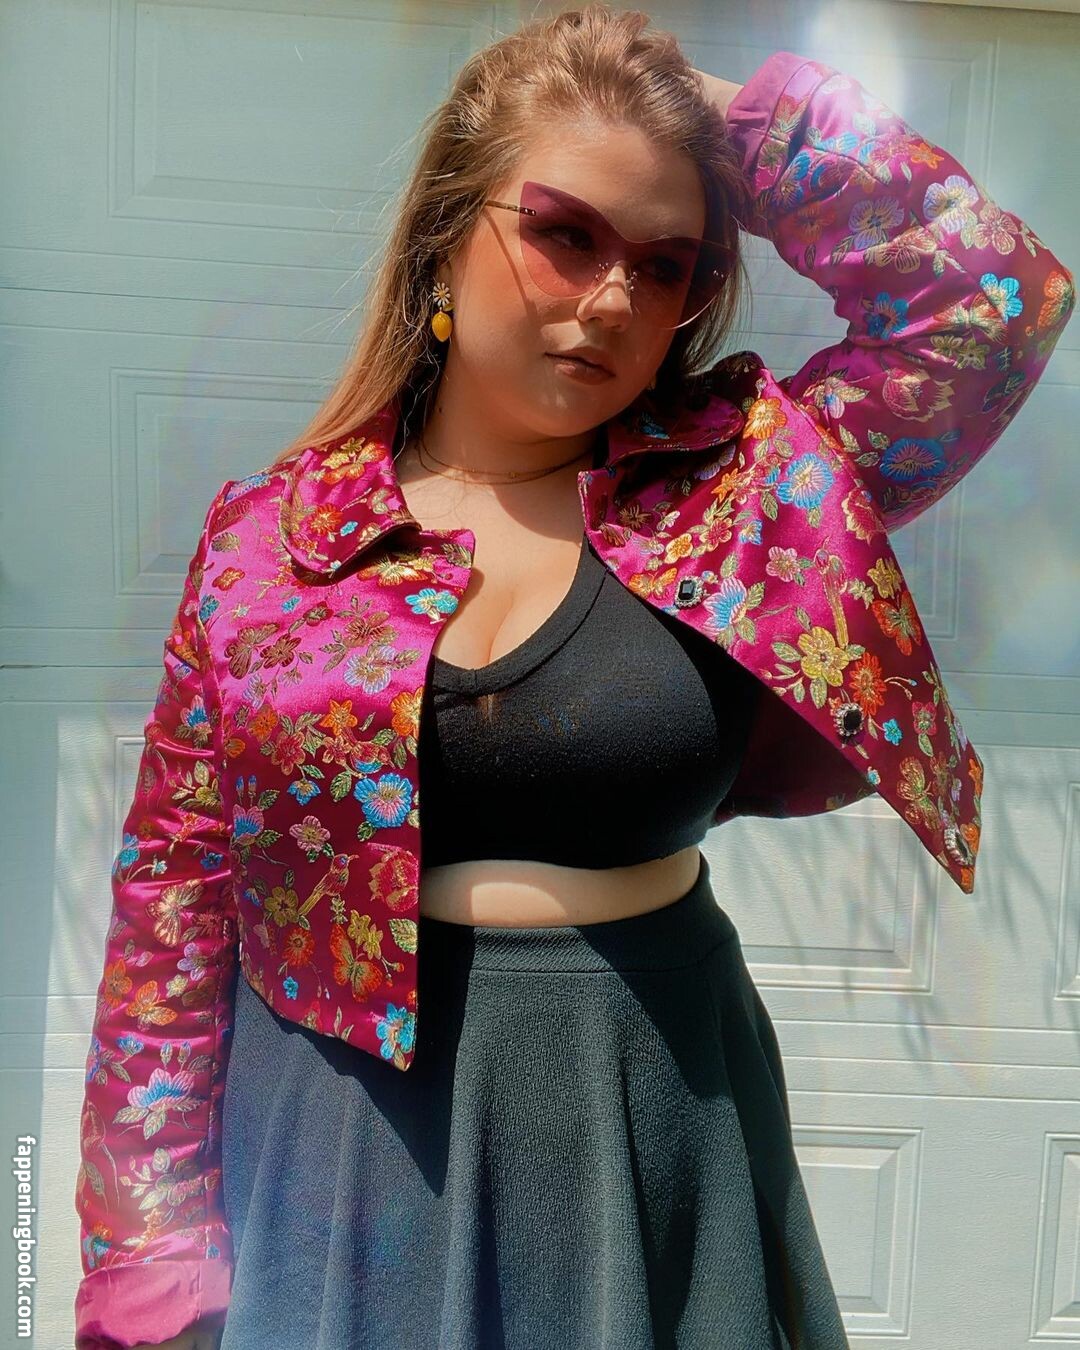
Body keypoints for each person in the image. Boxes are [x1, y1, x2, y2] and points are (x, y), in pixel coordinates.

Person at [72, 6, 1075, 1350]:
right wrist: (148, 1264)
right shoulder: (270, 538)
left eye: (664, 267)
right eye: (566, 234)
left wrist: (720, 118)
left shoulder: (750, 488)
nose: (612, 300)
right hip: (335, 1150)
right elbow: (171, 906)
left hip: (650, 1116)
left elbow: (989, 297)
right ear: (448, 233)